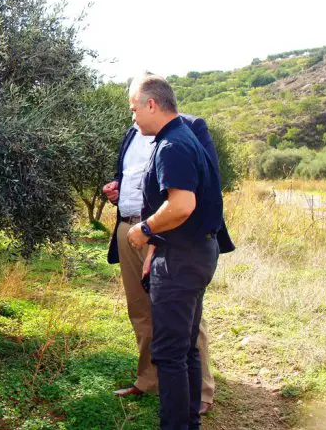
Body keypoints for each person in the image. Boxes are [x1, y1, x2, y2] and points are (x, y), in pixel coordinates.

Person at [103, 87, 234, 416]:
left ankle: (193, 399)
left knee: (178, 342)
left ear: (151, 103)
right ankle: (153, 384)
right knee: (151, 318)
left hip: (175, 243)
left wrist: (149, 231)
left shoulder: (179, 137)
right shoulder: (142, 135)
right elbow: (146, 183)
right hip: (151, 236)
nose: (131, 116)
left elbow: (189, 199)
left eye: (134, 108)